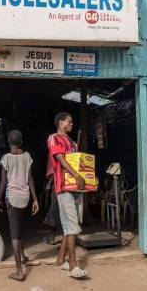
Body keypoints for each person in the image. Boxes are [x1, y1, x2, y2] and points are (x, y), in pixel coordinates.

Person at [47, 112, 89, 279]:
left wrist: (88, 177)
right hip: (63, 188)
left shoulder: (73, 143)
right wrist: (78, 176)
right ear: (60, 122)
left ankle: (59, 260)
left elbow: (78, 163)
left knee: (69, 226)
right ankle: (73, 265)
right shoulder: (53, 138)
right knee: (72, 226)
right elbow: (61, 159)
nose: (72, 124)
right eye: (69, 121)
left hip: (75, 189)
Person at [0, 130, 39, 282]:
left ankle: (19, 272)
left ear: (9, 141)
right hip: (25, 197)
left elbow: (3, 182)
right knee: (20, 228)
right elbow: (31, 180)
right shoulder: (27, 157)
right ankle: (22, 256)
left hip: (12, 198)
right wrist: (35, 200)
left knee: (14, 235)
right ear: (21, 141)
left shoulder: (6, 158)